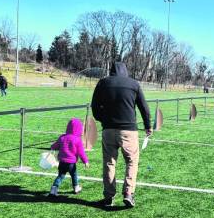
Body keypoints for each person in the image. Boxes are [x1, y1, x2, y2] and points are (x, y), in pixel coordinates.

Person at [91, 62, 151, 208]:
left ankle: (108, 196)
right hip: (129, 130)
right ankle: (128, 194)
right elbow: (144, 107)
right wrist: (148, 126)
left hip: (108, 129)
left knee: (109, 163)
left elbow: (94, 106)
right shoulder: (134, 84)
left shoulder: (102, 83)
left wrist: (103, 119)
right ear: (125, 71)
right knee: (131, 161)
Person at [49, 118, 89, 196]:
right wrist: (85, 161)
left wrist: (52, 147)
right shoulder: (77, 140)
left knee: (60, 176)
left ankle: (53, 190)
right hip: (71, 163)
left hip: (62, 162)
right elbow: (81, 152)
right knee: (74, 175)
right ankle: (76, 188)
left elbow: (56, 145)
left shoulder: (62, 137)